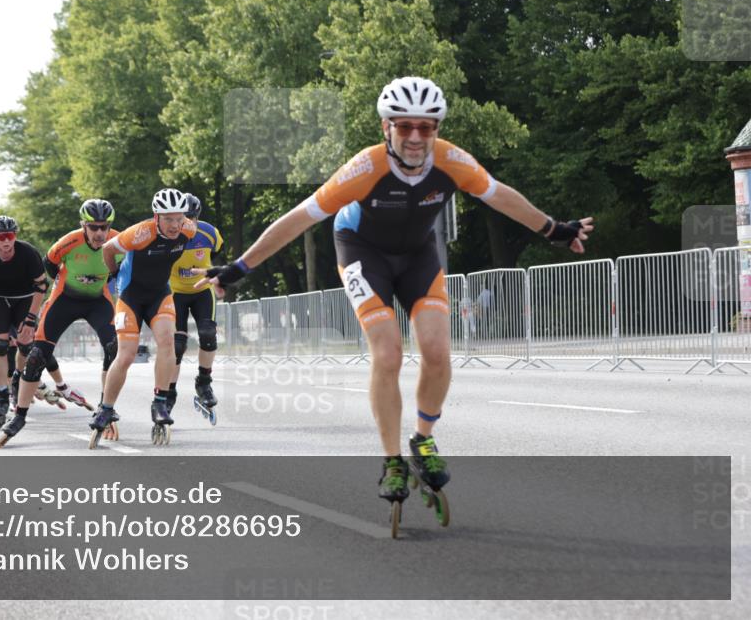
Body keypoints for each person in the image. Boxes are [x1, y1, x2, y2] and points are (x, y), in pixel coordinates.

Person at [198, 76, 593, 506]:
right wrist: (240, 267)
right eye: (404, 126)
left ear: (437, 130)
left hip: (417, 255)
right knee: (387, 353)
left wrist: (555, 229)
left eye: (427, 127)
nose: (416, 137)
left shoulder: (453, 162)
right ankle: (391, 461)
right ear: (385, 128)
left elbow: (501, 197)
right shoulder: (364, 169)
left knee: (438, 351)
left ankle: (422, 440)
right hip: (362, 252)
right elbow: (299, 218)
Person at [0, 199, 120, 447]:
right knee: (37, 355)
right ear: (83, 225)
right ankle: (19, 416)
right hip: (64, 300)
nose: (99, 233)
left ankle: (106, 408)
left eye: (104, 227)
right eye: (93, 227)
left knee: (113, 349)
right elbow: (48, 265)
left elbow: (125, 268)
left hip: (97, 301)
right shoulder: (69, 241)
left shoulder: (118, 241)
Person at [88, 188, 197, 447]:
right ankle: (106, 408)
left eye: (178, 218)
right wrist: (114, 274)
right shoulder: (140, 233)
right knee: (126, 354)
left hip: (160, 294)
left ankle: (160, 402)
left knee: (168, 342)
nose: (174, 225)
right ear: (156, 216)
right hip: (130, 296)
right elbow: (107, 250)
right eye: (168, 218)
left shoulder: (189, 229)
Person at [0, 215, 48, 433]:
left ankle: (16, 378)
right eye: (1, 237)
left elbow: (42, 286)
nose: (7, 241)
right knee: (0, 345)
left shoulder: (28, 252)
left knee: (26, 345)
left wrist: (30, 318)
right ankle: (0, 394)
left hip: (26, 298)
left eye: (11, 236)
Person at [168, 193, 225, 423]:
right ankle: (168, 392)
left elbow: (218, 255)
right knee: (177, 346)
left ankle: (203, 383)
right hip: (175, 292)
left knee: (208, 334)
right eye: (182, 218)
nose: (187, 223)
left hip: (202, 290)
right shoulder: (169, 235)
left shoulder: (209, 233)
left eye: (191, 218)